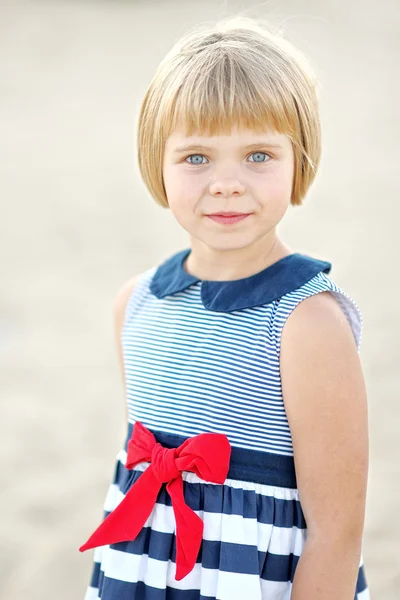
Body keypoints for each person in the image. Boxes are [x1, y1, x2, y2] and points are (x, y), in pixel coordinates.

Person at [79, 14, 370, 600]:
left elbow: (337, 533)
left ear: (299, 161)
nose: (228, 183)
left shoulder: (305, 322)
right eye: (196, 158)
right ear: (156, 165)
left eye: (259, 155)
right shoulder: (134, 306)